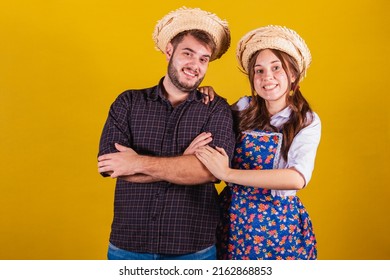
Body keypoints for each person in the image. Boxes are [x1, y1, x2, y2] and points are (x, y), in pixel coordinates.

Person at [97, 7, 235, 260]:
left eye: (203, 59)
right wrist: (184, 162)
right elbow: (110, 165)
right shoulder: (128, 102)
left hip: (194, 250)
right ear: (169, 50)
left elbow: (212, 171)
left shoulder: (216, 108)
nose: (195, 65)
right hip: (128, 247)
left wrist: (136, 162)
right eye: (188, 53)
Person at [194, 25, 321, 260]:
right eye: (259, 71)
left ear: (293, 74)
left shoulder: (306, 120)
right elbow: (209, 126)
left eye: (277, 68)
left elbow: (296, 178)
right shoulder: (242, 108)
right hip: (232, 220)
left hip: (279, 226)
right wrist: (206, 97)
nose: (267, 77)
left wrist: (228, 174)